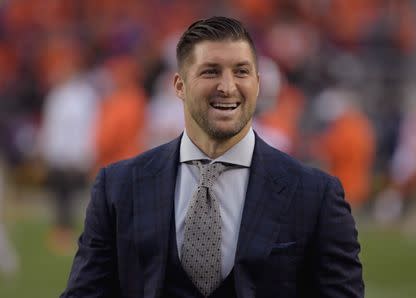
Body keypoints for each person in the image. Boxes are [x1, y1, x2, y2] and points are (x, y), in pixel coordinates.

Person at [61, 16, 364, 298]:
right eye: (211, 71)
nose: (227, 86)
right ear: (179, 85)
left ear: (258, 84)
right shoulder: (118, 187)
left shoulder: (316, 195)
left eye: (241, 72)